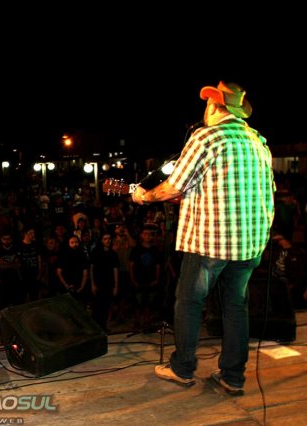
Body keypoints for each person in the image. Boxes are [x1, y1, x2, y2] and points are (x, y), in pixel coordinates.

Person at [131, 81, 275, 395]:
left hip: (210, 242)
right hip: (250, 243)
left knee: (189, 303)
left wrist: (144, 196)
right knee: (235, 307)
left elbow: (174, 185)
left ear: (212, 105)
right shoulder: (258, 141)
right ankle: (233, 377)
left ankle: (182, 368)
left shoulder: (206, 137)